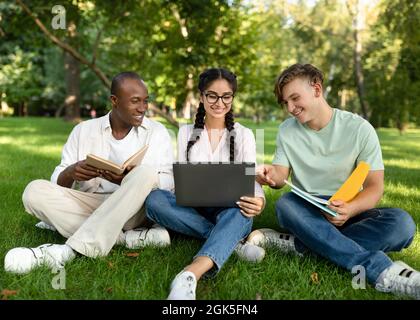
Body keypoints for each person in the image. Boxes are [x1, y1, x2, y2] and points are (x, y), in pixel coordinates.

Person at [248, 63, 420, 299]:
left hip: (348, 208)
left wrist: (350, 209)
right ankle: (383, 271)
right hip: (306, 209)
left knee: (402, 224)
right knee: (285, 205)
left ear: (317, 89)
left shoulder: (359, 129)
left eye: (295, 98)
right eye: (285, 103)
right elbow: (280, 178)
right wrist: (269, 175)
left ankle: (301, 246)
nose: (290, 108)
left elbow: (374, 186)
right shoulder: (287, 130)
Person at [4, 72, 174, 274]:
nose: (143, 108)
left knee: (146, 173)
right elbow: (58, 181)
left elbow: (169, 182)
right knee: (33, 191)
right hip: (90, 202)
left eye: (146, 101)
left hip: (135, 210)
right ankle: (126, 238)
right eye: (135, 101)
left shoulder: (157, 132)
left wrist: (127, 180)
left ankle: (68, 251)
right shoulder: (83, 130)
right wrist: (71, 172)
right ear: (114, 101)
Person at [145, 68, 266, 300]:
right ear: (201, 96)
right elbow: (177, 179)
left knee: (241, 213)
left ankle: (189, 275)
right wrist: (178, 188)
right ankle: (231, 243)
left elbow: (250, 180)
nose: (219, 102)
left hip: (230, 210)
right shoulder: (185, 133)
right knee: (154, 200)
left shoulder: (244, 135)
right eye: (212, 95)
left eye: (226, 96)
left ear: (232, 98)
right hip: (193, 208)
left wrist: (258, 201)